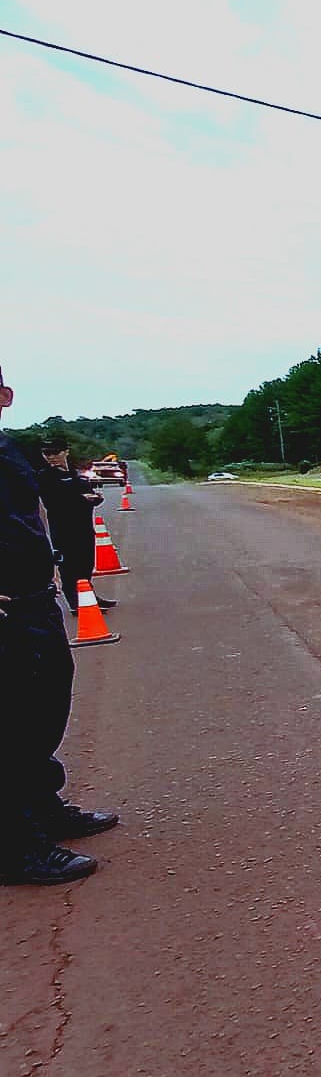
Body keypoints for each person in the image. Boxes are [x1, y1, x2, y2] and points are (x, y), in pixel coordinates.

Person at [0, 367, 119, 886]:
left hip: (34, 598)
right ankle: (15, 848)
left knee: (46, 706)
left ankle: (43, 809)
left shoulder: (9, 449)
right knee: (10, 726)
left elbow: (36, 508)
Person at [37, 439, 115, 613]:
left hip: (84, 527)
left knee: (85, 564)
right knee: (69, 568)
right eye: (47, 453)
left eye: (55, 452)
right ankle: (75, 603)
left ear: (66, 452)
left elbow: (88, 493)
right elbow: (53, 501)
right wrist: (81, 499)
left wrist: (96, 498)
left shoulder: (76, 474)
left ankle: (88, 596)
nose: (51, 457)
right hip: (63, 530)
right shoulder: (45, 476)